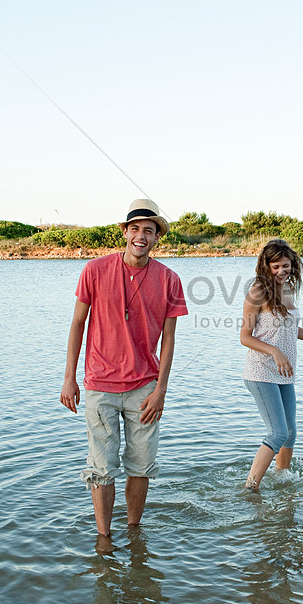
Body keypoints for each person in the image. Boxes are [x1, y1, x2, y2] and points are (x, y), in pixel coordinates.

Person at [60, 199, 188, 538]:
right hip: (99, 384)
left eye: (149, 230)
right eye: (135, 229)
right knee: (101, 469)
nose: (141, 236)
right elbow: (77, 324)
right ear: (125, 232)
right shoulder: (94, 270)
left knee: (141, 466)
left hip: (145, 387)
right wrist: (69, 378)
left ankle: (133, 534)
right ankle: (104, 541)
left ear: (158, 237)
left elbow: (170, 340)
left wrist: (161, 389)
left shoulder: (169, 279)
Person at [239, 239, 303, 491]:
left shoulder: (288, 289)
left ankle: (282, 479)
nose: (282, 271)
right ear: (265, 266)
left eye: (286, 266)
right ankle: (250, 488)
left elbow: (292, 329)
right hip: (260, 372)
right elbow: (245, 337)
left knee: (290, 433)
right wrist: (274, 351)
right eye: (276, 267)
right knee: (277, 433)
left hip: (284, 373)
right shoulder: (257, 292)